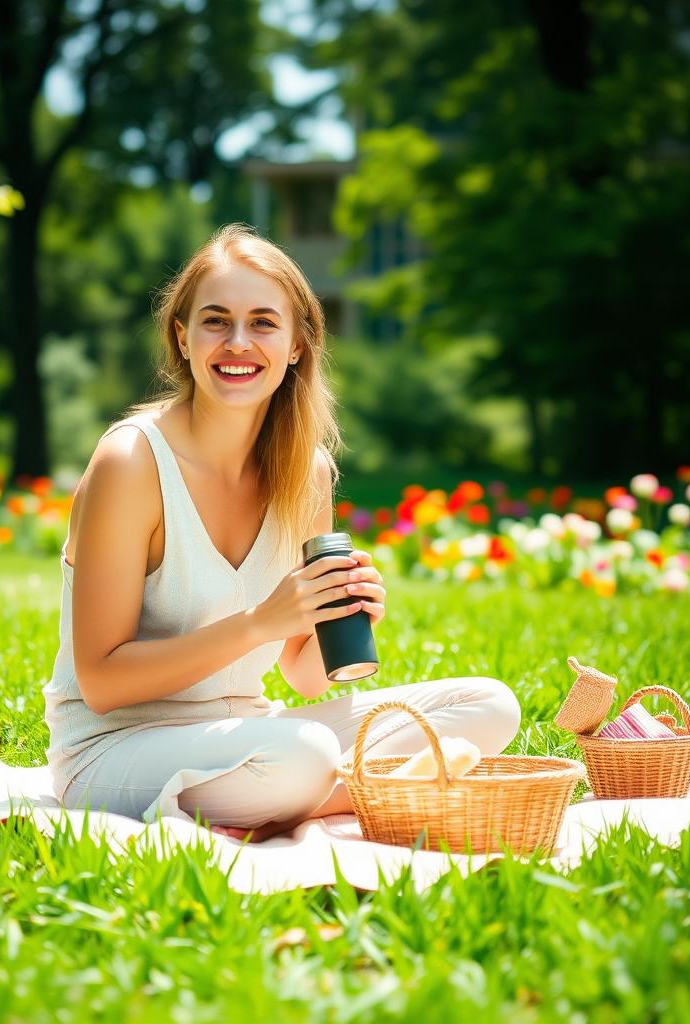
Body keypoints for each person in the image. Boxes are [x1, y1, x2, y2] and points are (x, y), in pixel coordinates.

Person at [43, 223, 521, 843]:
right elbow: (103, 683)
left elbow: (303, 676)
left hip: (248, 733)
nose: (238, 342)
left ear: (297, 344)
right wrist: (260, 623)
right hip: (114, 749)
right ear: (182, 339)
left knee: (487, 705)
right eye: (216, 321)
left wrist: (343, 615)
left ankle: (347, 788)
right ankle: (394, 790)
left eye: (264, 322)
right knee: (304, 754)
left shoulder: (306, 472)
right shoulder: (131, 463)